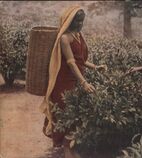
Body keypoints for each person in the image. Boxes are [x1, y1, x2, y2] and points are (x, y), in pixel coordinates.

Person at [39, 6, 107, 158]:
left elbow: (81, 60)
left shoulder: (78, 35)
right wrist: (84, 83)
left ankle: (71, 151)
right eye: (77, 21)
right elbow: (71, 62)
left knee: (75, 116)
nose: (80, 24)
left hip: (75, 82)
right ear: (69, 21)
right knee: (66, 117)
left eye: (82, 21)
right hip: (64, 84)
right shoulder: (65, 38)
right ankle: (68, 152)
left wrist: (95, 67)